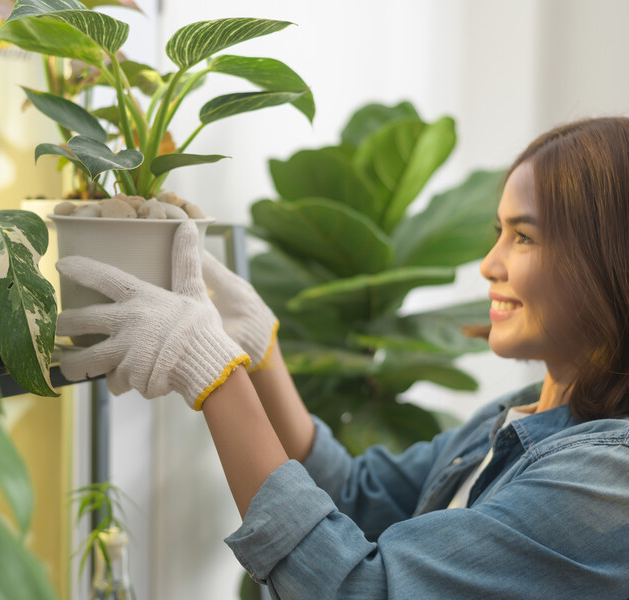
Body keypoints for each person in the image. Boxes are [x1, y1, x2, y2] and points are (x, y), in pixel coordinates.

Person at [56, 117, 629, 599]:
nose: (489, 264)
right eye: (497, 231)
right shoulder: (517, 417)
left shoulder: (609, 481)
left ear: (610, 260)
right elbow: (357, 496)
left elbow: (360, 588)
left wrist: (216, 380)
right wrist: (262, 356)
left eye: (523, 237)